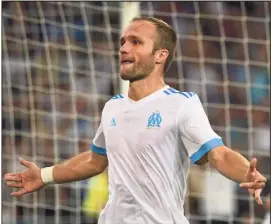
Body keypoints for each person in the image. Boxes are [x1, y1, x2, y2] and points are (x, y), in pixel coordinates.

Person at [4, 17, 267, 224]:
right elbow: (96, 160)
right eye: (123, 42)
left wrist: (246, 172)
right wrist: (45, 175)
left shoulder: (182, 104)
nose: (124, 48)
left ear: (160, 55)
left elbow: (217, 154)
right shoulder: (112, 107)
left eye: (136, 42)